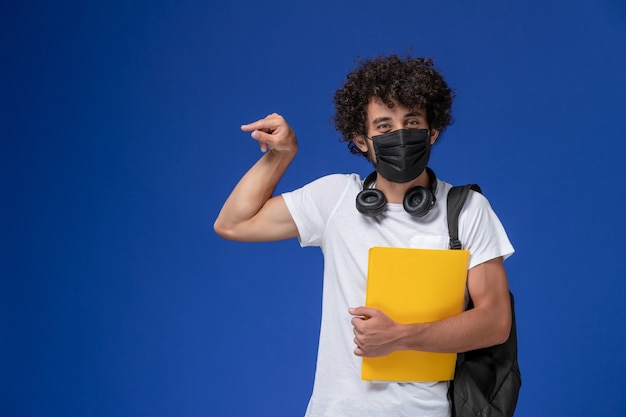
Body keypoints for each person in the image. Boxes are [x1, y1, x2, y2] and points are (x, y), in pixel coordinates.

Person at [214, 55, 514, 417]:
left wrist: (400, 336)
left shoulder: (467, 209)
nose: (400, 135)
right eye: (384, 126)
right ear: (361, 140)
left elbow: (495, 321)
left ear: (432, 131)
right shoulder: (335, 197)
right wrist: (281, 156)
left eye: (412, 122)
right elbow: (233, 223)